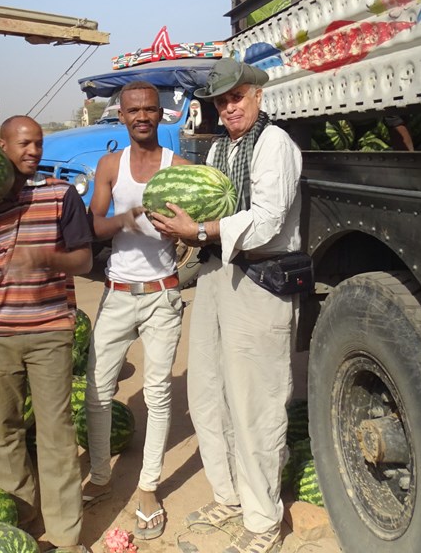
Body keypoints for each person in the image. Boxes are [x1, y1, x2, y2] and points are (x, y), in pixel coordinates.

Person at [150, 59, 302, 553]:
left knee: (254, 400)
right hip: (218, 274)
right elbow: (208, 209)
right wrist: (181, 226)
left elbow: (267, 219)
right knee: (208, 391)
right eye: (221, 101)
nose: (229, 107)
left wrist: (197, 231)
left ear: (257, 94)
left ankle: (263, 522)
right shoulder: (219, 148)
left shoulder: (273, 144)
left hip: (259, 279)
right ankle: (229, 495)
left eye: (237, 96)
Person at [0, 115, 93, 553]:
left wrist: (44, 257)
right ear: (2, 148)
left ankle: (66, 535)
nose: (33, 151)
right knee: (6, 431)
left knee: (56, 433)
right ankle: (22, 521)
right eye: (24, 144)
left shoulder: (61, 194)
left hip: (49, 330)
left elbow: (84, 261)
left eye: (37, 144)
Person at [82, 81, 191, 541]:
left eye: (150, 109)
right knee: (97, 390)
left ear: (160, 114)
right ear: (121, 116)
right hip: (118, 292)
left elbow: (195, 227)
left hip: (163, 294)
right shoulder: (111, 166)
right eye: (133, 110)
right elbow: (93, 226)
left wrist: (185, 232)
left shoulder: (179, 167)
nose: (142, 116)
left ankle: (148, 487)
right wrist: (128, 219)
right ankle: (102, 475)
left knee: (158, 394)